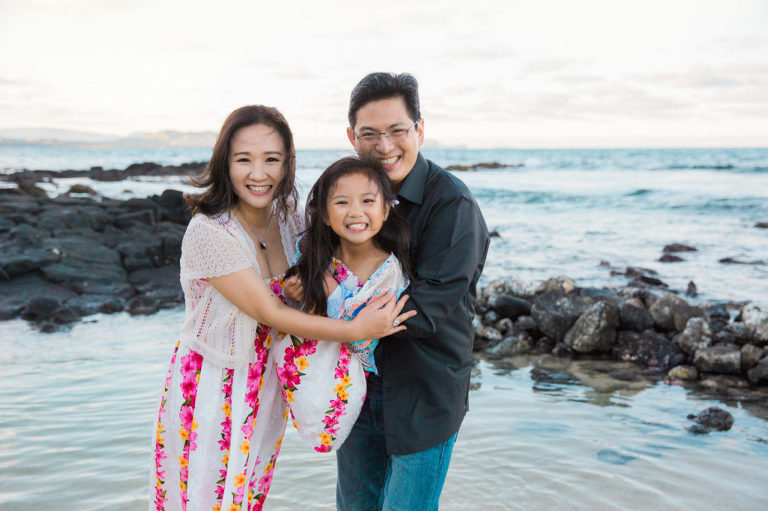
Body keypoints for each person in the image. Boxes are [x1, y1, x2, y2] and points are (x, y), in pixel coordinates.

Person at [150, 105, 414, 511]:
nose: (259, 173)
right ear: (224, 163)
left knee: (247, 496)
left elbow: (334, 257)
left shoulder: (290, 220)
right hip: (213, 384)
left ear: (287, 163)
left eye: (271, 159)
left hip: (269, 383)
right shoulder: (209, 231)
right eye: (244, 160)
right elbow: (269, 313)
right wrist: (360, 330)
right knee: (204, 500)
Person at [337, 73, 490, 510]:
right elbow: (315, 259)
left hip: (425, 392)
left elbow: (425, 310)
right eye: (370, 134)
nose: (384, 146)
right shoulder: (350, 198)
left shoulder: (452, 205)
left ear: (419, 130)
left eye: (397, 131)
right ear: (352, 137)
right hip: (358, 388)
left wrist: (334, 319)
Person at [273, 156, 410, 454]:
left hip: (350, 378)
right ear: (324, 214)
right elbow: (295, 297)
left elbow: (363, 340)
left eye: (368, 201)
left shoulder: (388, 272)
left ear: (386, 210)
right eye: (342, 203)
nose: (356, 213)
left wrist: (328, 287)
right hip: (308, 365)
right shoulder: (317, 253)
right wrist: (295, 287)